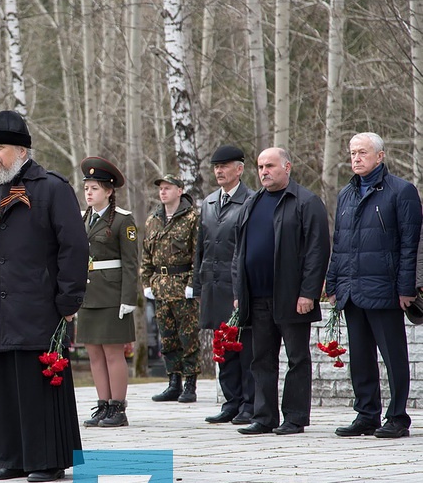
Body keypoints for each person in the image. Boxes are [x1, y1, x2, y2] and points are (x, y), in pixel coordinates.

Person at [0, 110, 87, 483]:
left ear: (22, 150)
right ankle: (9, 457)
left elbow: (74, 247)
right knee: (2, 388)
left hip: (40, 306)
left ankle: (47, 460)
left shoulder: (51, 188)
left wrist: (68, 301)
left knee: (37, 387)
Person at [325, 133, 421, 439]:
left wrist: (407, 287)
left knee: (394, 356)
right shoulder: (345, 195)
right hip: (352, 289)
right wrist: (332, 282)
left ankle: (397, 417)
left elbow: (410, 244)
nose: (356, 158)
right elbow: (339, 243)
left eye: (362, 153)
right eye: (353, 153)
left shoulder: (401, 192)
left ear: (380, 156)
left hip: (386, 289)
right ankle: (366, 414)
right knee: (361, 357)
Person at [233, 147, 330, 435]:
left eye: (270, 166)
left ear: (287, 167)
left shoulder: (306, 202)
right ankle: (264, 417)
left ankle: (295, 417)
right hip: (257, 296)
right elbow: (239, 252)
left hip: (291, 296)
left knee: (297, 358)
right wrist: (240, 292)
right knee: (261, 358)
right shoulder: (252, 202)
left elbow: (317, 250)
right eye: (260, 166)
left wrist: (309, 292)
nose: (264, 171)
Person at [193, 145, 256, 425]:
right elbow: (201, 248)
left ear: (239, 169)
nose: (219, 171)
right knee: (224, 347)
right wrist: (198, 285)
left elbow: (252, 249)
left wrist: (245, 289)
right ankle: (231, 401)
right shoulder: (207, 203)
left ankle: (249, 403)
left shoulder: (251, 201)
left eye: (225, 166)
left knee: (244, 348)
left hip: (238, 288)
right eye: (216, 166)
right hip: (214, 286)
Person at [77, 156, 139, 428]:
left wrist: (128, 299)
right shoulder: (82, 219)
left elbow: (130, 263)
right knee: (94, 352)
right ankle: (103, 405)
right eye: (87, 188)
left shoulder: (123, 221)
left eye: (95, 188)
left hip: (113, 296)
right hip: (89, 295)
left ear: (109, 191)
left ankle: (118, 407)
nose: (89, 193)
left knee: (113, 353)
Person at [141, 174, 200, 403]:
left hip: (182, 282)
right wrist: (146, 282)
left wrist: (193, 284)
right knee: (167, 337)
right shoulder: (153, 220)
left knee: (188, 337)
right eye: (161, 188)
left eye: (168, 188)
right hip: (161, 286)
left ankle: (190, 383)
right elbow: (146, 255)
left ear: (179, 190)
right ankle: (173, 381)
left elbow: (197, 254)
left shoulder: (192, 218)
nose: (163, 192)